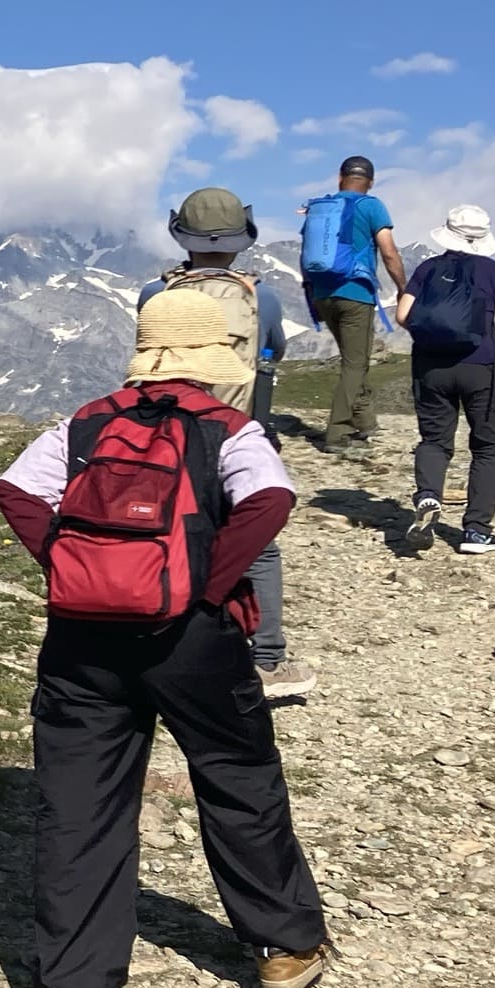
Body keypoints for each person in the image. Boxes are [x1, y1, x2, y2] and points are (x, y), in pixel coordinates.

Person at [0, 292, 331, 988]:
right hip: (194, 639)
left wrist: (67, 566)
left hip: (81, 639)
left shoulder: (86, 422)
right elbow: (271, 500)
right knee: (236, 775)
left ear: (144, 356)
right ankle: (282, 947)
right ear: (214, 359)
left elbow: (17, 490)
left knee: (79, 801)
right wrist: (206, 584)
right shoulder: (228, 429)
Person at [136, 186, 313, 701]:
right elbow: (274, 350)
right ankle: (266, 658)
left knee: (168, 529)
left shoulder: (156, 294)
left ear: (181, 235)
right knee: (258, 545)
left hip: (168, 433)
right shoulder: (262, 295)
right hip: (236, 429)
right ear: (242, 239)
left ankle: (162, 639)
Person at [394, 203, 495, 556]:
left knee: (434, 440)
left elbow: (403, 314)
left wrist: (434, 334)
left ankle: (427, 496)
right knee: (487, 445)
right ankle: (476, 531)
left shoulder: (427, 268)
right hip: (480, 366)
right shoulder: (493, 272)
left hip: (430, 367)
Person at [298, 155, 407, 453]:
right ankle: (337, 434)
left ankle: (366, 421)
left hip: (323, 294)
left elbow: (306, 252)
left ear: (340, 177)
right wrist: (402, 288)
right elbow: (388, 252)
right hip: (355, 294)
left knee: (351, 359)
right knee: (355, 363)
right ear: (370, 182)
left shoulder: (321, 208)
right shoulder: (371, 206)